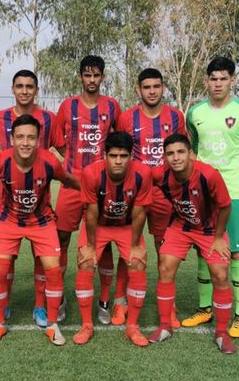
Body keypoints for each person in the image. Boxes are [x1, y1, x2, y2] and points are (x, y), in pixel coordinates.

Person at [0, 69, 65, 327]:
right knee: (6, 258)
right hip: (9, 200)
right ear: (13, 89)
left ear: (36, 90)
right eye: (19, 86)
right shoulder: (1, 118)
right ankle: (5, 306)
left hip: (40, 201)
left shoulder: (49, 118)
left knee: (41, 257)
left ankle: (39, 307)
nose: (24, 91)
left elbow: (63, 150)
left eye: (29, 86)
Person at [183, 57, 239, 338]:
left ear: (232, 80)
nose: (217, 83)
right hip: (203, 195)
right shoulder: (194, 113)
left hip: (235, 193)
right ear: (206, 81)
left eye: (223, 78)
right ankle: (205, 309)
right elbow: (193, 151)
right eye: (213, 78)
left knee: (237, 252)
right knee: (202, 250)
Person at [0, 114, 80, 345]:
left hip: (42, 221)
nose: (25, 142)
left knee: (53, 269)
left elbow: (69, 180)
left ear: (38, 141)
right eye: (20, 137)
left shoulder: (49, 162)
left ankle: (53, 324)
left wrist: (93, 188)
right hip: (10, 221)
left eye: (31, 138)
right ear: (12, 139)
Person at [147, 133, 236, 354]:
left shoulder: (208, 175)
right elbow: (137, 179)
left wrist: (218, 237)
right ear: (164, 157)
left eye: (180, 152)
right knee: (165, 267)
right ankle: (165, 326)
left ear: (190, 153)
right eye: (170, 154)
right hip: (181, 226)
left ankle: (222, 333)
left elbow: (225, 206)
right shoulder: (159, 175)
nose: (175, 158)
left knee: (221, 274)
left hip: (209, 230)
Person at [116, 68, 185, 327]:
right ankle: (120, 303)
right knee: (128, 249)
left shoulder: (175, 117)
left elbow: (182, 153)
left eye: (156, 86)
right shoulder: (126, 118)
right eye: (147, 87)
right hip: (131, 193)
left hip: (164, 194)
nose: (152, 91)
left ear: (163, 88)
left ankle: (169, 308)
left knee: (163, 251)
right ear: (139, 90)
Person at [55, 55, 121, 323]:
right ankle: (58, 296)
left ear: (102, 77)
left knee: (101, 244)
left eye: (96, 75)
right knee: (61, 239)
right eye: (87, 75)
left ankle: (104, 299)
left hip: (102, 189)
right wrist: (72, 165)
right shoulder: (67, 106)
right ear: (80, 76)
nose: (91, 80)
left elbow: (118, 141)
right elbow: (59, 142)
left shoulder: (112, 106)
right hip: (71, 186)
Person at [73, 132, 152, 346]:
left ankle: (132, 327)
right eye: (113, 155)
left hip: (126, 225)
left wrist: (136, 246)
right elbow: (90, 212)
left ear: (131, 157)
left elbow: (139, 212)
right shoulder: (91, 173)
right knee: (86, 262)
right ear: (104, 155)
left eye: (124, 156)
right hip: (98, 225)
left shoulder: (143, 174)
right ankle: (86, 325)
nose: (118, 161)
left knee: (137, 262)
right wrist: (89, 246)